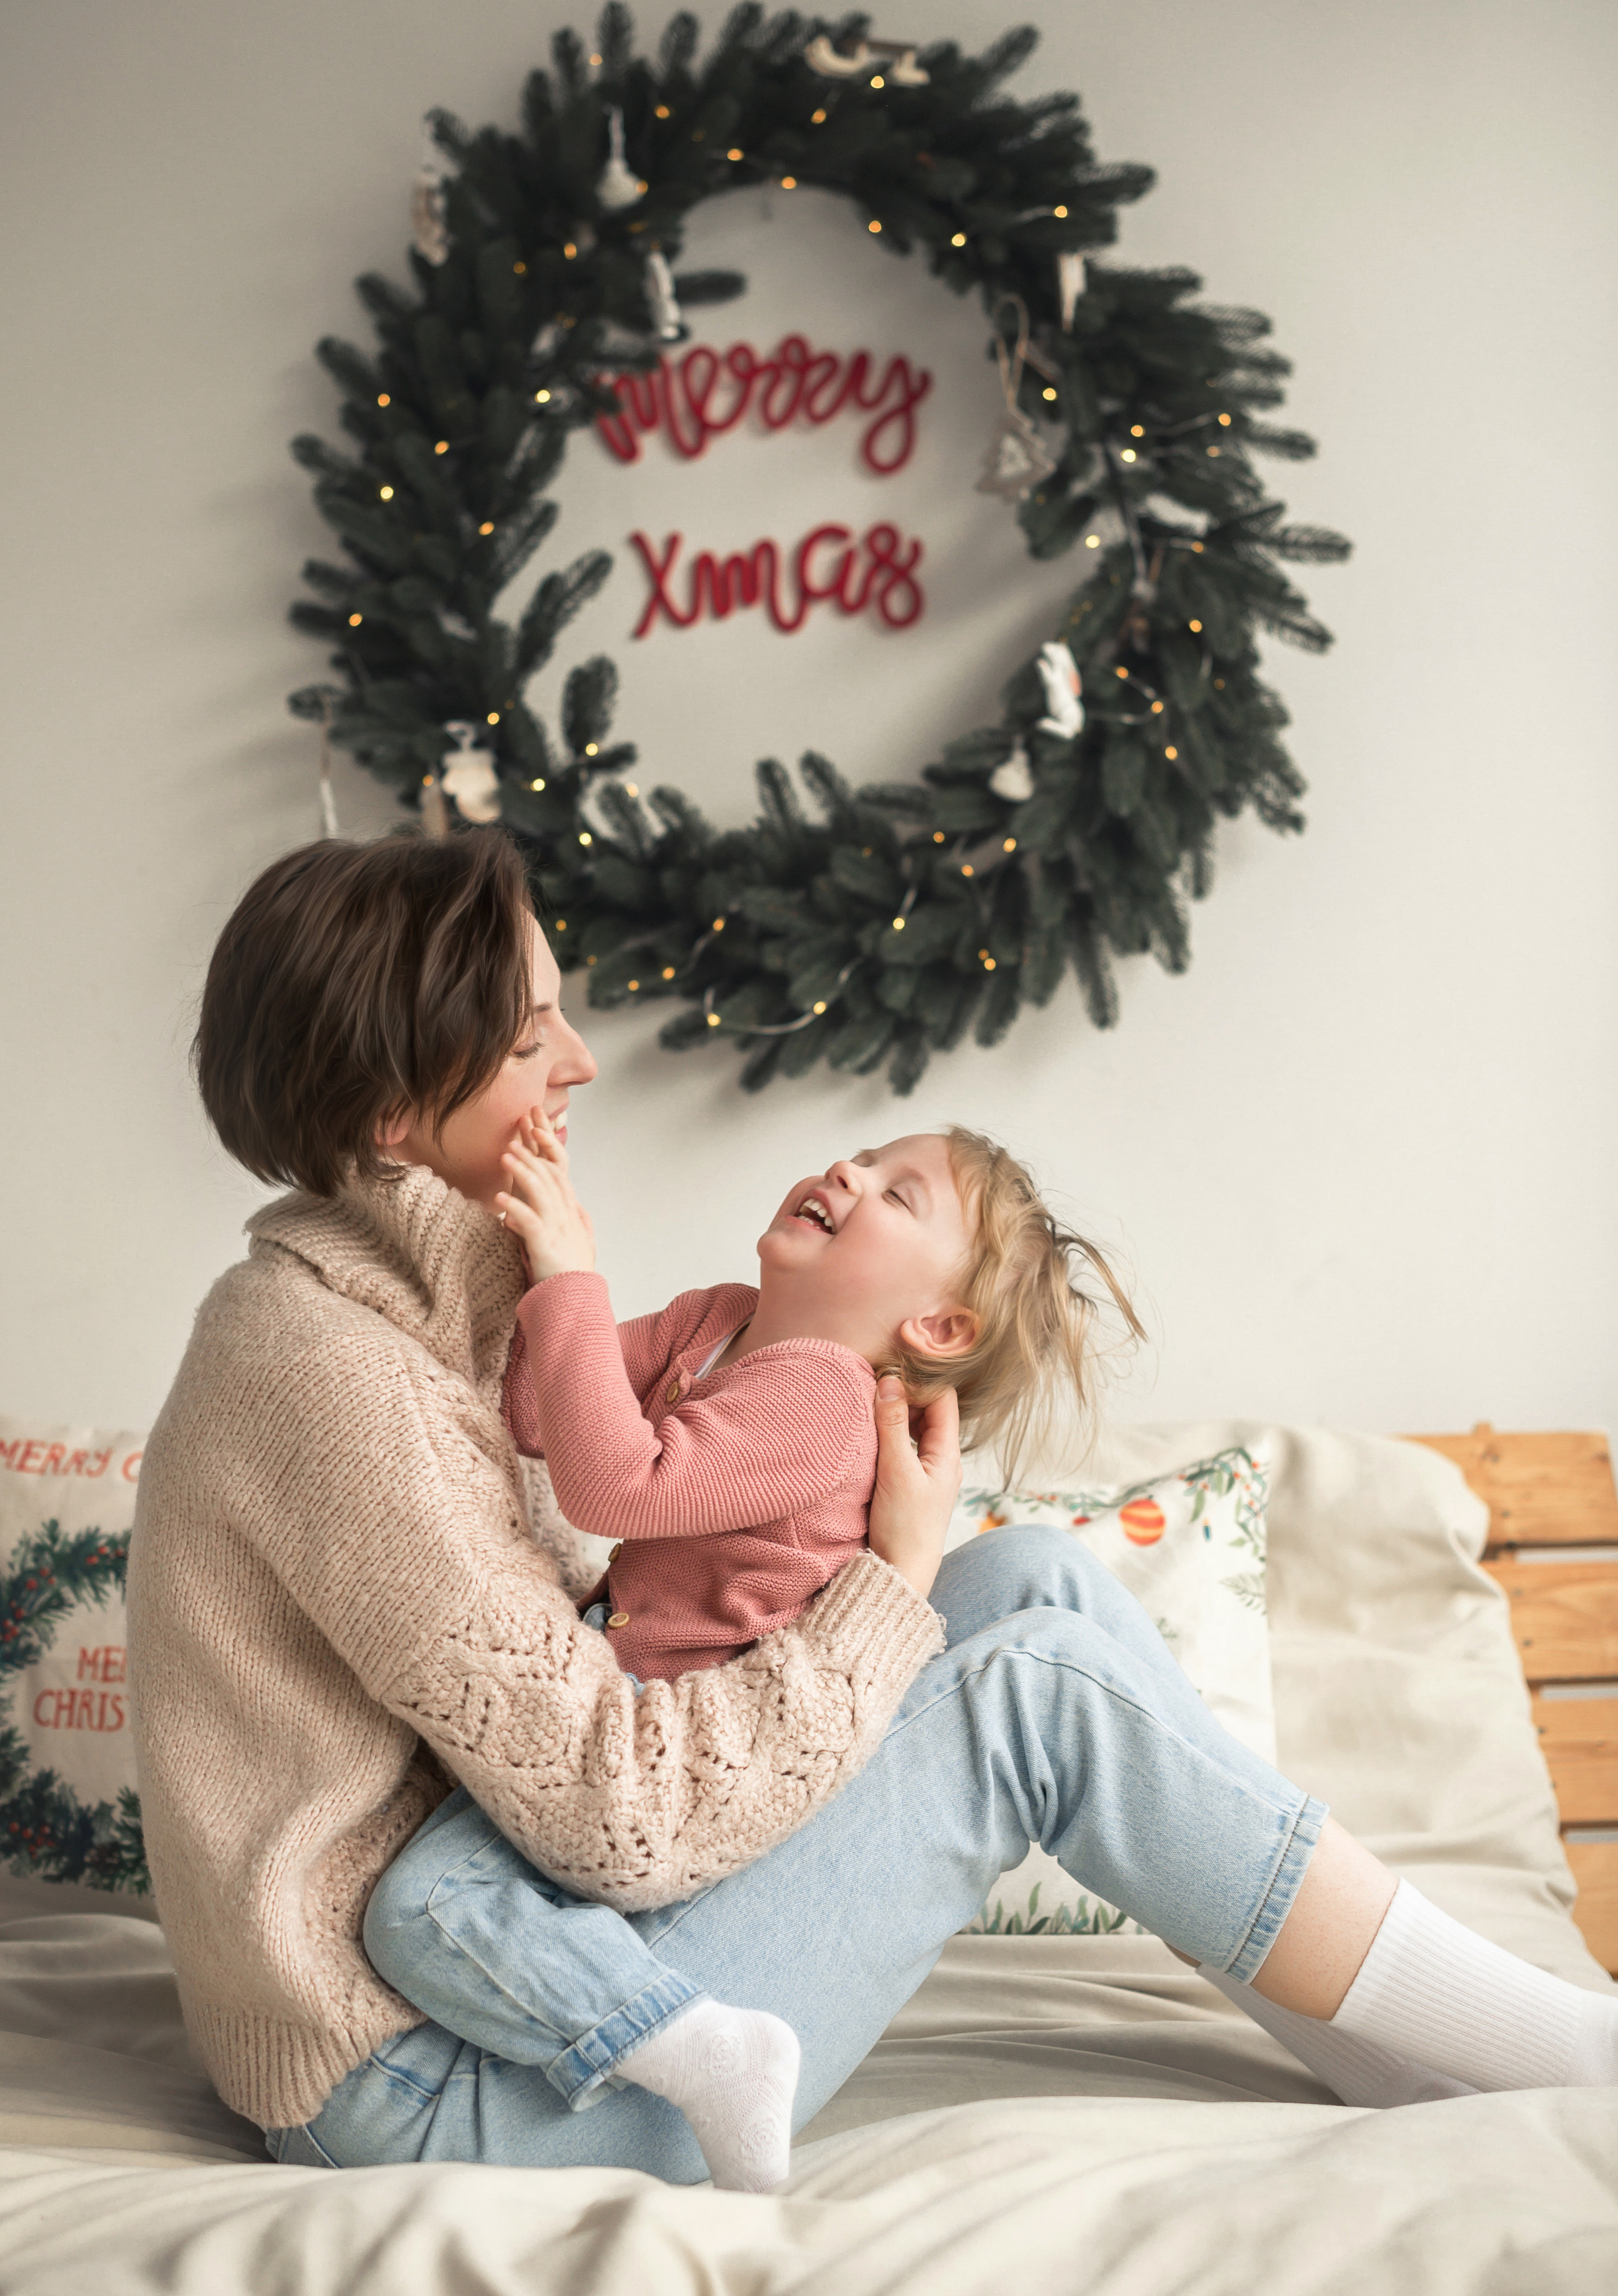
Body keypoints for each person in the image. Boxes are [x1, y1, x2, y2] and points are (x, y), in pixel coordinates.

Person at [127, 827, 1618, 2191]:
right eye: (532, 1037)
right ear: (397, 1110)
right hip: (438, 2075)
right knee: (1027, 1692)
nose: (579, 1061)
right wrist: (886, 1587)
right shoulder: (326, 1370)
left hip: (502, 1973)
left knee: (1029, 1577)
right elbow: (609, 1818)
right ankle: (1563, 2048)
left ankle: (1385, 2040)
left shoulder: (421, 1307)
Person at [361, 1110, 1141, 2187]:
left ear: (942, 1328)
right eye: (865, 1156)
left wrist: (571, 1274)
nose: (848, 1172)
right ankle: (673, 2031)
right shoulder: (715, 1320)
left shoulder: (824, 1401)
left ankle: (702, 2051)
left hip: (698, 1753)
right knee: (443, 1901)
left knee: (424, 1909)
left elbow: (613, 1484)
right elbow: (543, 1416)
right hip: (618, 1707)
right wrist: (528, 1259)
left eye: (897, 1193)